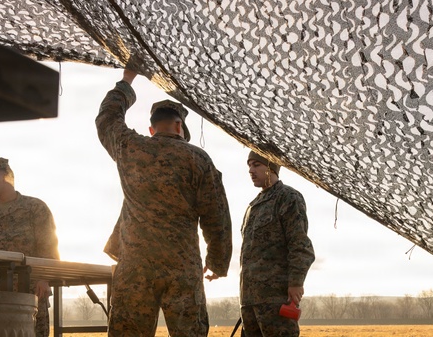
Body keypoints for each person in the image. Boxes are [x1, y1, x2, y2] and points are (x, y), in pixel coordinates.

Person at [95, 69, 232, 336]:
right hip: (181, 267)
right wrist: (216, 261)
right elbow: (217, 217)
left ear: (152, 128)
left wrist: (127, 81)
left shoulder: (130, 147)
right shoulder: (198, 159)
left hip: (135, 266)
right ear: (180, 126)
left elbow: (107, 118)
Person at [0, 157, 59, 337]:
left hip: (29, 296)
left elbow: (49, 247)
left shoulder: (35, 208)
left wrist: (44, 279)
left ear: (5, 176)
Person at [240, 151, 315, 337]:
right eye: (249, 165)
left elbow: (300, 245)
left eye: (256, 165)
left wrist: (296, 282)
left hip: (276, 298)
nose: (251, 170)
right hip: (249, 300)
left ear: (271, 167)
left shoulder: (288, 198)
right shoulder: (253, 206)